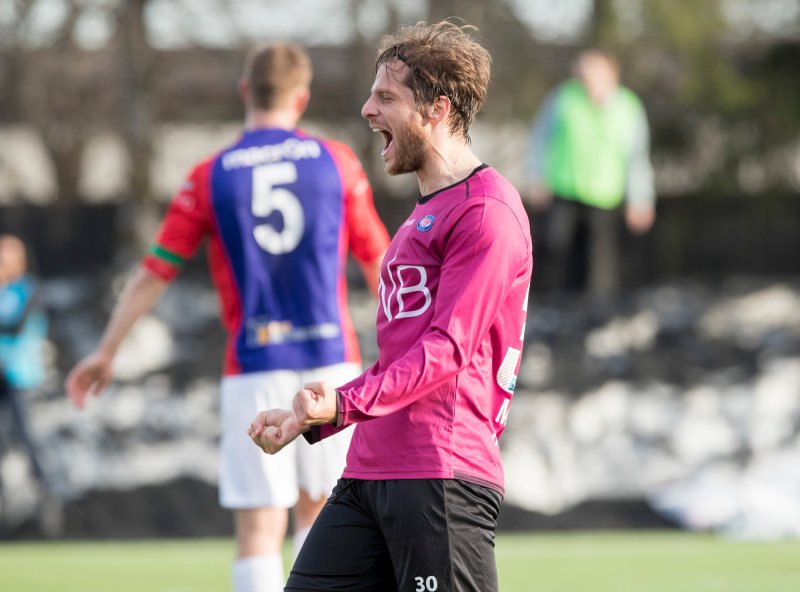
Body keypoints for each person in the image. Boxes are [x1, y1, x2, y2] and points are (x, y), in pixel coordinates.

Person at [64, 43, 389, 592]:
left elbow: (154, 272)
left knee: (260, 529)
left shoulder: (211, 175)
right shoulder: (337, 161)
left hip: (254, 364)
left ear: (245, 91)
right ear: (302, 97)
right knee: (326, 520)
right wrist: (403, 350)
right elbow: (379, 260)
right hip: (332, 367)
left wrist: (106, 350)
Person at [248, 21, 533, 592]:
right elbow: (399, 358)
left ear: (436, 109)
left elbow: (446, 351)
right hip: (370, 471)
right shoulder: (418, 220)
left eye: (386, 96)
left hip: (440, 474)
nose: (366, 108)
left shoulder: (486, 213)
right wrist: (313, 417)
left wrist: (341, 405)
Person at [525, 49, 656, 298]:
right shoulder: (563, 98)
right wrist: (536, 176)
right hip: (563, 191)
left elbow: (637, 156)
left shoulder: (628, 106)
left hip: (604, 197)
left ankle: (593, 318)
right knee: (555, 252)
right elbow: (540, 139)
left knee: (598, 265)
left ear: (611, 73)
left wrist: (641, 198)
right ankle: (552, 308)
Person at [0, 234, 61, 536]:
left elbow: (15, 324)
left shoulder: (30, 290)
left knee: (29, 439)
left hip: (20, 377)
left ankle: (47, 504)